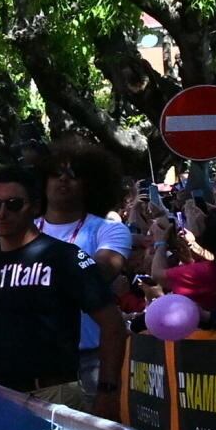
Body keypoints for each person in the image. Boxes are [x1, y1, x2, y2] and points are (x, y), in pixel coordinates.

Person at [0, 164, 114, 396]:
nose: (2, 213)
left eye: (13, 204)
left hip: (54, 392)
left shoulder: (64, 257)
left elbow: (113, 325)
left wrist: (108, 392)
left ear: (35, 207)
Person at [37, 137, 133, 406]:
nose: (63, 180)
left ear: (91, 184)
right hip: (33, 363)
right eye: (55, 174)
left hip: (88, 361)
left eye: (73, 175)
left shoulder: (109, 229)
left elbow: (100, 273)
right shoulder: (24, 229)